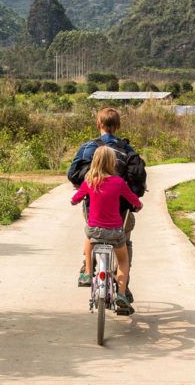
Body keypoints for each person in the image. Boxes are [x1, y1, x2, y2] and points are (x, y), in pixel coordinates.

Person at [66, 107, 147, 294]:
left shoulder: (87, 148)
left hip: (93, 208)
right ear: (118, 126)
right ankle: (122, 288)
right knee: (125, 243)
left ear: (98, 124)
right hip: (122, 211)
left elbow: (73, 174)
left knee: (91, 232)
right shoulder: (127, 150)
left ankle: (87, 265)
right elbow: (138, 182)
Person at [71, 145, 142, 313]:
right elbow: (133, 199)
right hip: (115, 232)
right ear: (113, 163)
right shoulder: (119, 182)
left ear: (94, 162)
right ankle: (122, 294)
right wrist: (138, 205)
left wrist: (74, 200)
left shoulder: (90, 180)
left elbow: (75, 199)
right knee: (123, 261)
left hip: (95, 231)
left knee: (88, 235)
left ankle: (88, 272)